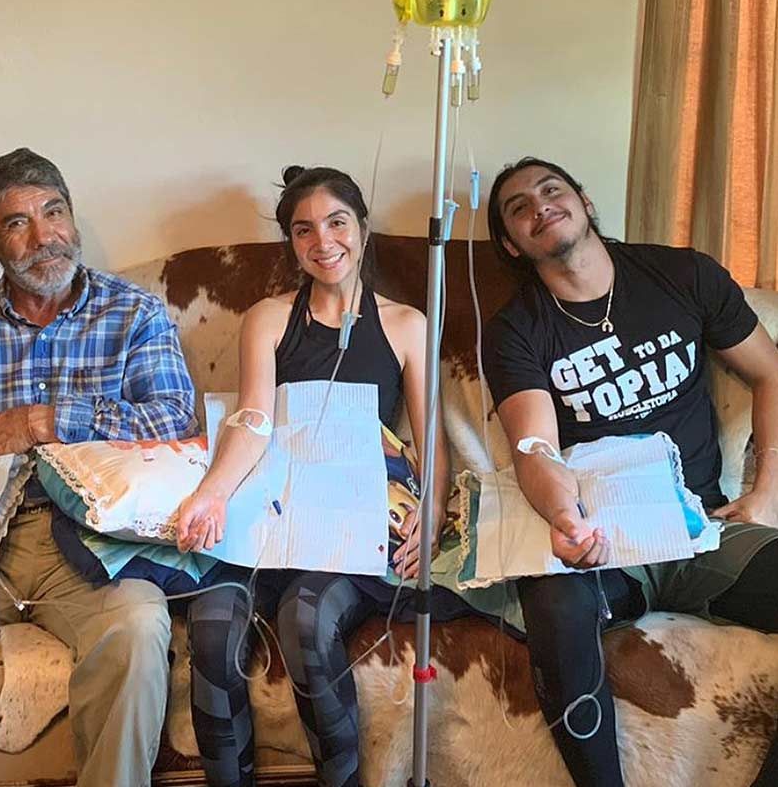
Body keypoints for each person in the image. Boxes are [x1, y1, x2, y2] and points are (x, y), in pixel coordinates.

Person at [0, 148, 197, 787]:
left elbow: (173, 418)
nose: (44, 235)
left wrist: (44, 420)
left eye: (54, 211)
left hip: (89, 543)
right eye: (17, 222)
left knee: (138, 626)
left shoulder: (133, 314)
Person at [482, 156, 778, 787]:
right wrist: (565, 518)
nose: (540, 207)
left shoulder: (681, 274)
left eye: (552, 190)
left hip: (702, 524)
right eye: (519, 207)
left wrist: (764, 493)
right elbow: (534, 446)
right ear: (512, 242)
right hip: (605, 540)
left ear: (584, 201)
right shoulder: (515, 329)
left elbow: (770, 371)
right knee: (554, 602)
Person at [174, 165, 473, 787]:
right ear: (291, 242)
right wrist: (212, 493)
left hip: (351, 516)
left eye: (337, 223)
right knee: (211, 625)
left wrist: (435, 507)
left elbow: (430, 438)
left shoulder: (406, 325)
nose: (323, 242)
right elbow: (254, 418)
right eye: (304, 230)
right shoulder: (268, 317)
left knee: (304, 617)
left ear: (362, 229)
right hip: (274, 506)